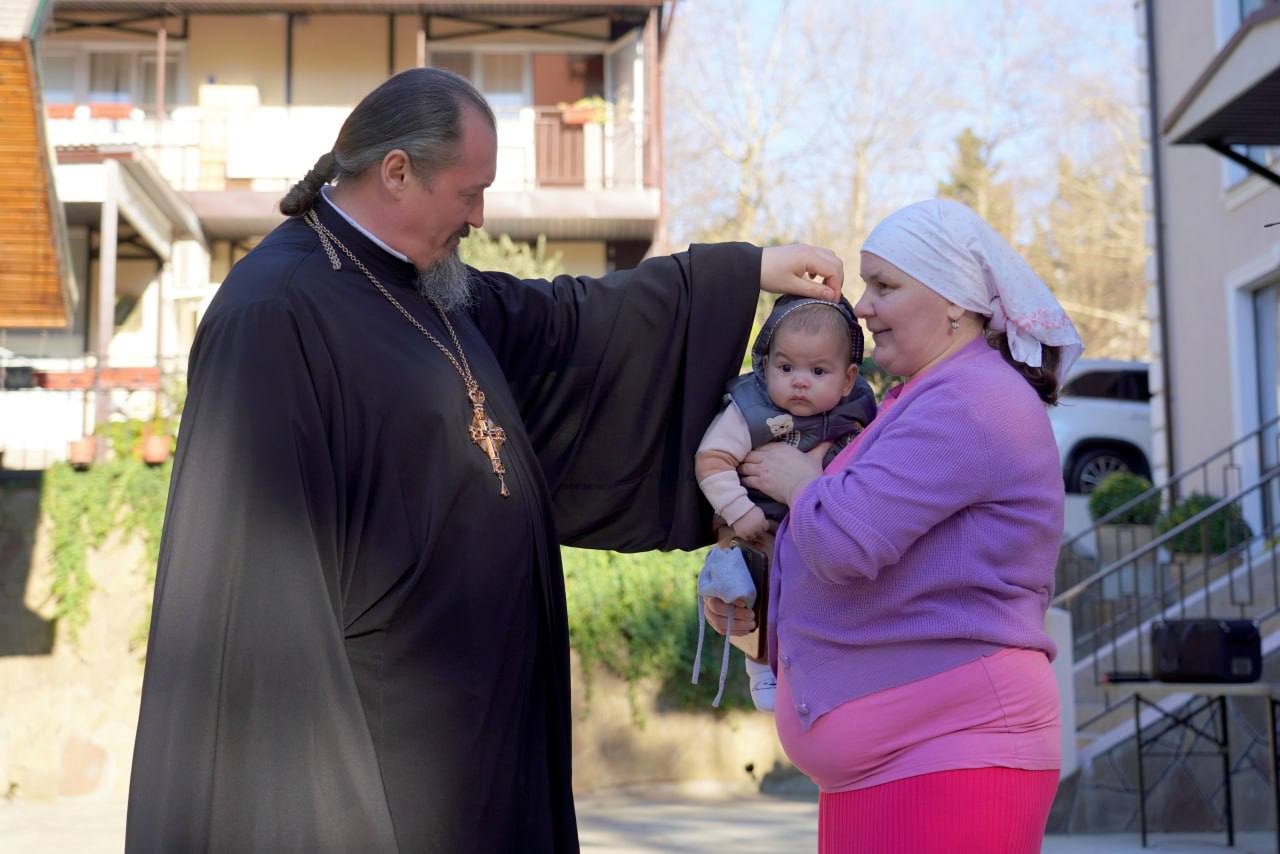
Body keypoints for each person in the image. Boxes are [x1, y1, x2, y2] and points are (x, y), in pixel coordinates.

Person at [124, 67, 846, 854]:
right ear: (396, 171)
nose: (478, 216)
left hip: (483, 741)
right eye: (469, 194)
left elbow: (569, 323)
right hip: (384, 759)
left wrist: (743, 273)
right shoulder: (275, 311)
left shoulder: (427, 286)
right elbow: (259, 591)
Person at [705, 198, 1084, 853]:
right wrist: (757, 613)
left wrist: (798, 483)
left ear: (953, 300)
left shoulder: (972, 401)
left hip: (952, 759)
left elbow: (844, 542)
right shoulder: (920, 398)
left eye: (884, 286)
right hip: (899, 765)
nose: (862, 307)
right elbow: (880, 570)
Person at [694, 296, 873, 709]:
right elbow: (712, 459)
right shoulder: (749, 411)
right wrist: (740, 511)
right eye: (786, 368)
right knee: (752, 589)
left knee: (814, 593)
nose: (800, 382)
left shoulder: (860, 413)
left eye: (818, 371)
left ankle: (812, 665)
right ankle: (760, 666)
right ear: (765, 365)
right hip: (756, 524)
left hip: (819, 528)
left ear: (848, 379)